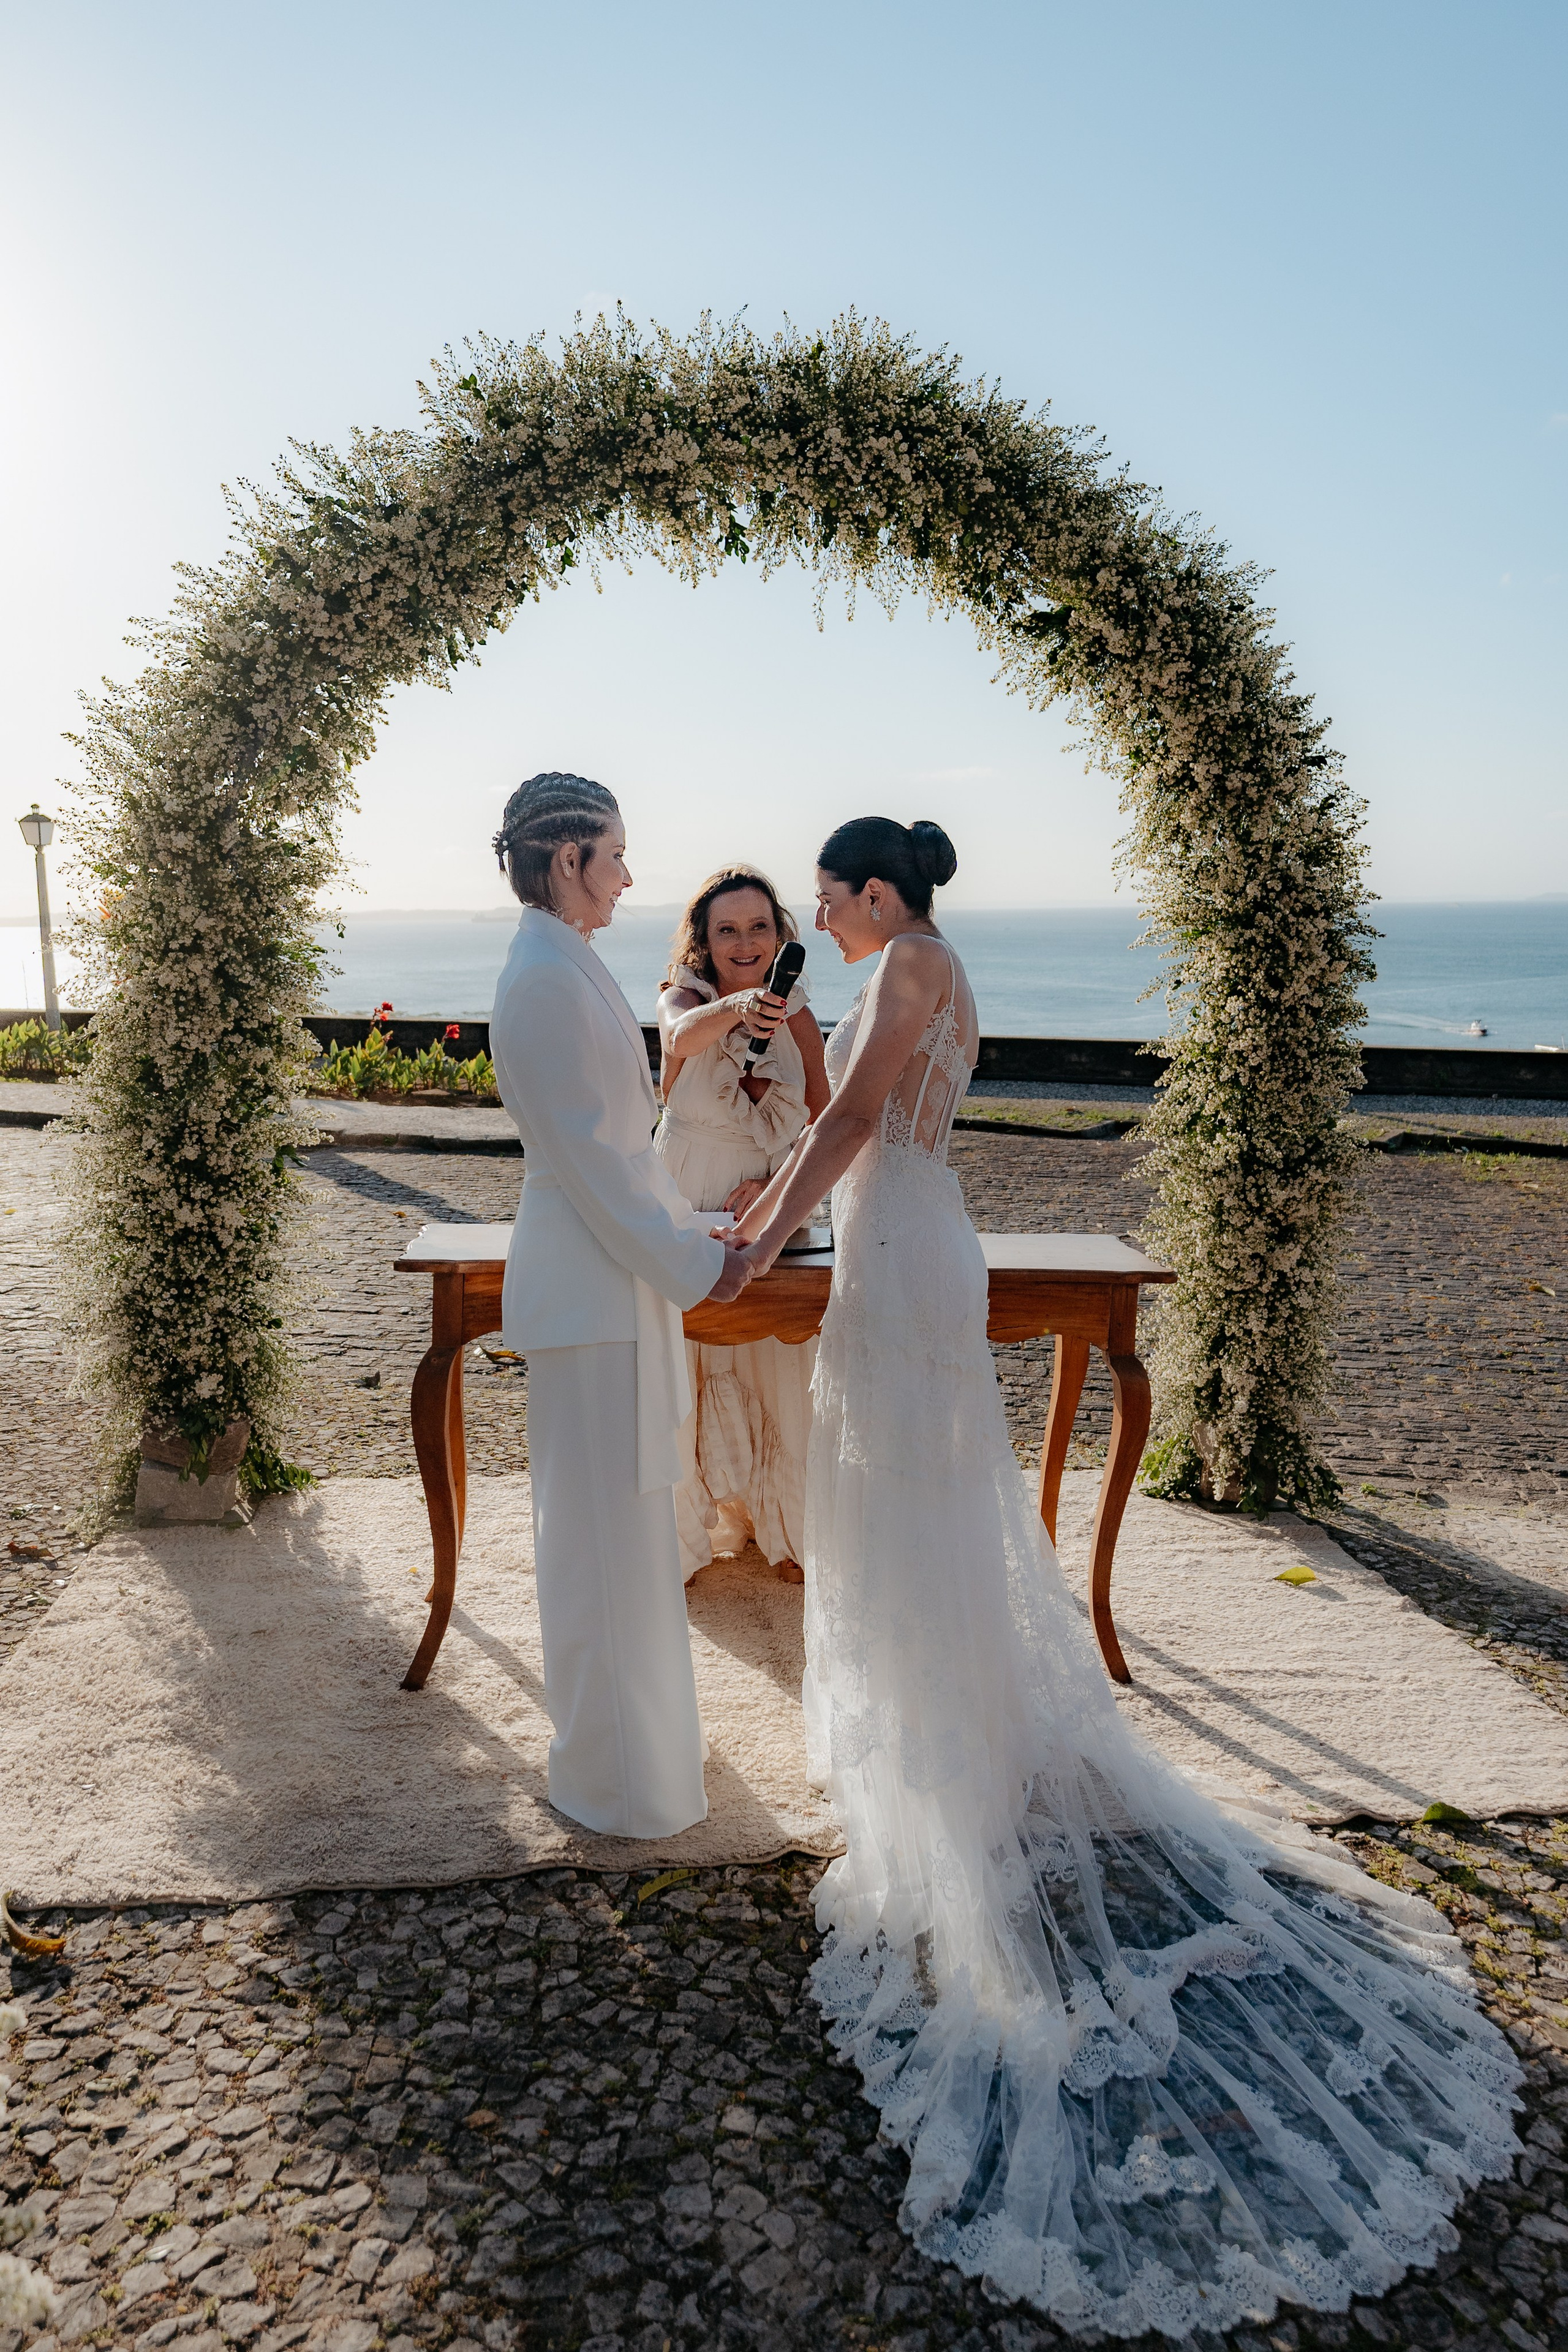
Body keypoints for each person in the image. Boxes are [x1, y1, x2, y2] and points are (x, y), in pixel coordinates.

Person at [731, 816, 1518, 2339]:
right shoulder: (902, 968)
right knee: (904, 1503)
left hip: (893, 1245)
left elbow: (848, 1139)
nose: (811, 917)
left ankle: (951, 1759)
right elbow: (851, 1109)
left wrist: (764, 1221)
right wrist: (799, 1059)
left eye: (821, 897)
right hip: (899, 1231)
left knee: (913, 1503)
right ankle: (933, 1720)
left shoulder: (907, 960)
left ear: (871, 892)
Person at [488, 772, 751, 1840]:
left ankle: (648, 1756)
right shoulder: (546, 980)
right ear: (567, 861)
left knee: (629, 1538)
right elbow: (594, 1165)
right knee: (599, 1546)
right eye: (616, 855)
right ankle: (618, 1782)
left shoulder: (569, 964)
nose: (632, 877)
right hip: (590, 1293)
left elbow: (625, 1158)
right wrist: (701, 1267)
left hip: (614, 1280)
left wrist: (694, 1236)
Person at [654, 866, 830, 1582]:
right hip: (685, 1188)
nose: (745, 940)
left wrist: (777, 1179)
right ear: (704, 939)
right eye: (726, 929)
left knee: (775, 1356)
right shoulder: (683, 997)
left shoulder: (802, 1016)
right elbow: (681, 1036)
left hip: (766, 1196)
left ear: (779, 933)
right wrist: (742, 1006)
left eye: (759, 926)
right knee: (683, 1354)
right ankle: (681, 1537)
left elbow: (824, 1114)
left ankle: (782, 1529)